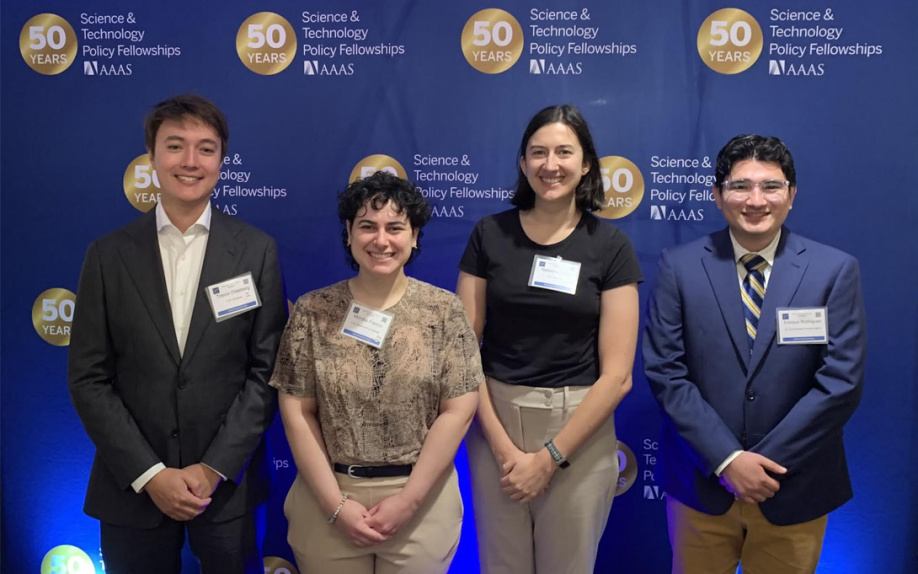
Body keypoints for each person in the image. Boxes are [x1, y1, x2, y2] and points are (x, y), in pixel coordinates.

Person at [67, 94, 287, 573]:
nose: (190, 161)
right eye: (175, 146)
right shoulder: (107, 256)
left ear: (222, 161)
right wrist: (150, 475)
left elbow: (266, 372)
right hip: (132, 487)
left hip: (228, 489)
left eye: (206, 148)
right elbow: (88, 378)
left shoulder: (256, 251)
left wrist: (213, 468)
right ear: (151, 157)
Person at [642, 134, 867, 573]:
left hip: (795, 487)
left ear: (792, 195)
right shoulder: (679, 266)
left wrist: (760, 467)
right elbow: (667, 373)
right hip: (701, 485)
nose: (756, 200)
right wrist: (728, 460)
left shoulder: (834, 270)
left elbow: (841, 382)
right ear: (717, 195)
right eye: (740, 186)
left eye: (771, 186)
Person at [456, 104, 642, 574]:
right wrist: (503, 449)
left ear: (585, 164)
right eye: (538, 152)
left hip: (579, 429)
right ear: (523, 164)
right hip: (494, 420)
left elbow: (618, 376)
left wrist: (550, 458)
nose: (550, 164)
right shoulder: (488, 234)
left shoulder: (610, 246)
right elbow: (461, 355)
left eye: (564, 152)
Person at [270, 170, 482, 574]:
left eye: (395, 227)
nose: (381, 240)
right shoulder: (314, 312)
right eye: (367, 226)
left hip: (421, 503)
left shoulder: (444, 311)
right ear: (349, 233)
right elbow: (296, 411)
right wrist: (335, 506)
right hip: (328, 501)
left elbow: (459, 409)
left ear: (414, 235)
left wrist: (409, 501)